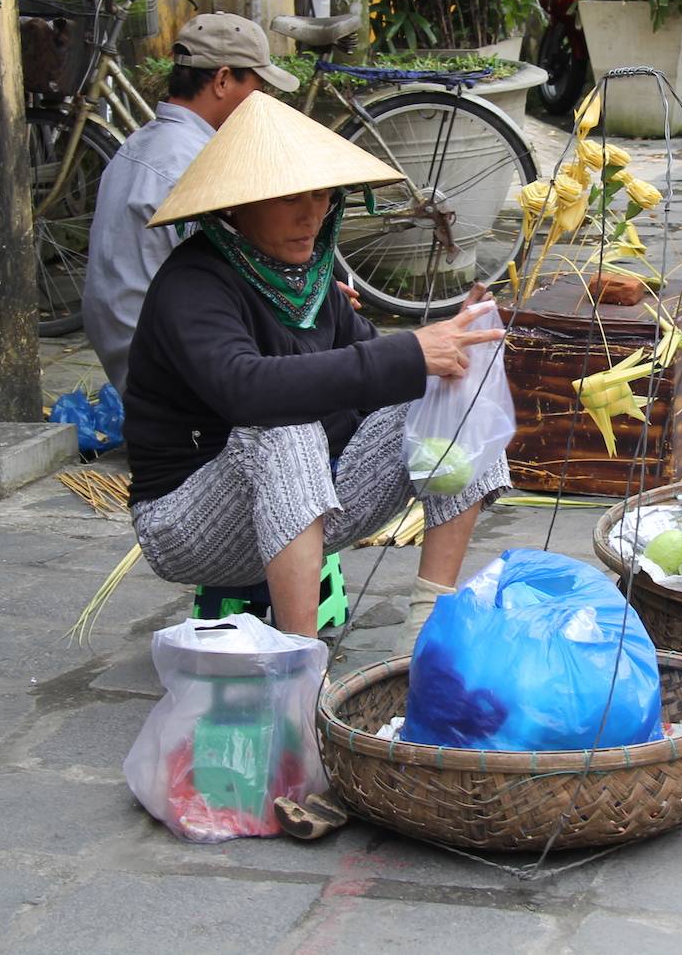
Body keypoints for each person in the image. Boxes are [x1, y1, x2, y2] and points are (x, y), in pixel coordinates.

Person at [123, 91, 507, 644]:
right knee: (284, 427)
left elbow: (373, 386)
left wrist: (448, 354)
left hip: (311, 500)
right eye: (290, 199)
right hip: (187, 522)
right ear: (236, 205)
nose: (312, 214)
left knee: (453, 392)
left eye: (322, 195)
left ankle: (430, 625)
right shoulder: (193, 285)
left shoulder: (310, 282)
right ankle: (297, 667)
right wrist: (405, 353)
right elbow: (245, 391)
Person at [83, 13, 298, 392]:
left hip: (134, 358)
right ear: (222, 79)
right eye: (259, 88)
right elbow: (235, 284)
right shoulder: (195, 164)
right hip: (170, 374)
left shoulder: (140, 143)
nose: (262, 102)